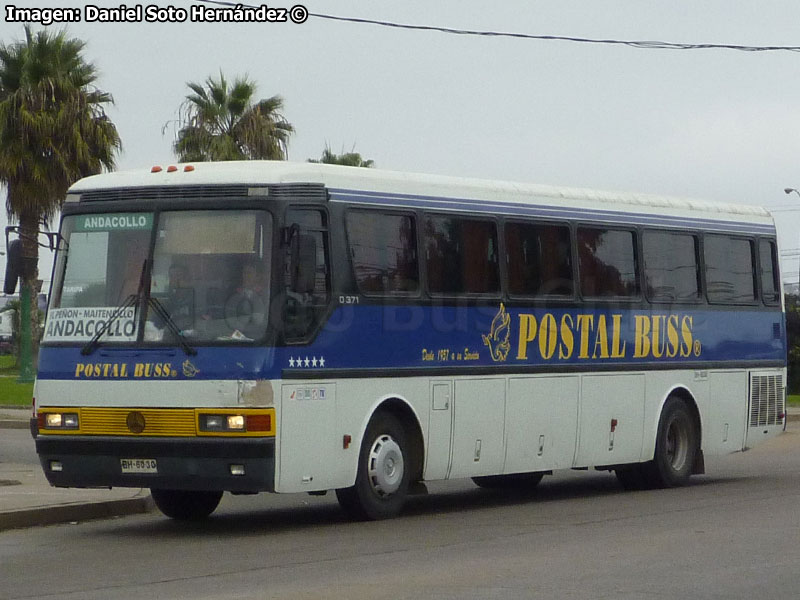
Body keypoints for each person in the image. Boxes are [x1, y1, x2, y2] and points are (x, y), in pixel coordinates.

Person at [223, 257, 268, 340]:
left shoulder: (266, 295)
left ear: (258, 276)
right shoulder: (233, 292)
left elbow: (262, 322)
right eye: (244, 273)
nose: (245, 276)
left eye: (249, 273)